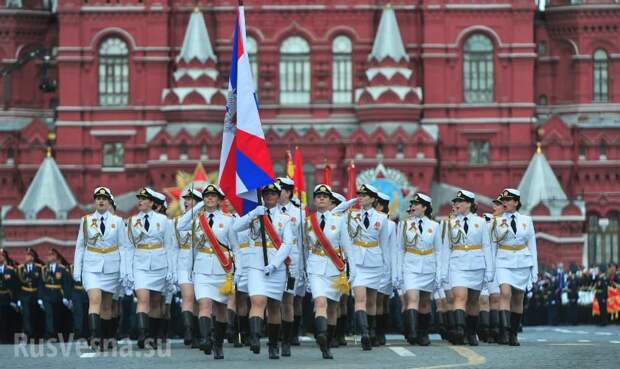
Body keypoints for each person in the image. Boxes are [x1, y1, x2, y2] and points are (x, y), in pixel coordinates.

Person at [177, 184, 239, 359]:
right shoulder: (197, 220)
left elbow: (235, 247)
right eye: (207, 196)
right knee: (204, 304)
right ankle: (205, 338)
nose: (210, 199)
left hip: (223, 268)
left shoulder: (229, 220)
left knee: (221, 310)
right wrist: (197, 206)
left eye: (213, 196)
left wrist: (237, 270)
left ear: (219, 200)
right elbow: (181, 225)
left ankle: (218, 343)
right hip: (202, 269)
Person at [233, 182, 294, 359]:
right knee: (257, 301)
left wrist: (275, 264)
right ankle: (255, 337)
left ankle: (274, 345)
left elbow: (288, 243)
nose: (269, 196)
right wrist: (253, 214)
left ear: (278, 196)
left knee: (275, 306)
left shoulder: (285, 218)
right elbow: (235, 227)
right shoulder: (255, 215)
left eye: (273, 193)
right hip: (255, 264)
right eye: (266, 193)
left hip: (276, 265)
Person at [73, 187, 129, 349]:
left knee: (106, 305)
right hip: (92, 266)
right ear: (95, 201)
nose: (101, 201)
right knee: (95, 299)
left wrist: (124, 271)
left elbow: (123, 247)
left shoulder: (118, 222)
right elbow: (80, 246)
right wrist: (78, 270)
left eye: (104, 198)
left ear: (109, 201)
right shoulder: (86, 221)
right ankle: (95, 335)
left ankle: (105, 338)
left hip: (112, 266)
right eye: (98, 198)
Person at [305, 184, 354, 359]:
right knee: (320, 302)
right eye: (318, 196)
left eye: (325, 197)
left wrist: (352, 270)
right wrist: (302, 270)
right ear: (314, 200)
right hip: (315, 267)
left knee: (333, 308)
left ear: (330, 200)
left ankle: (328, 341)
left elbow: (347, 245)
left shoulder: (339, 220)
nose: (321, 199)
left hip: (335, 268)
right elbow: (303, 248)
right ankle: (321, 334)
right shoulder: (308, 221)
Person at [440, 190, 494, 346]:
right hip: (457, 264)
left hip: (477, 264)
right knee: (460, 297)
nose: (457, 204)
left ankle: (471, 332)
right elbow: (445, 248)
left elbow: (486, 246)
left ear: (470, 203)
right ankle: (459, 330)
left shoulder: (481, 222)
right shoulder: (449, 223)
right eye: (456, 202)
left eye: (461, 201)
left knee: (473, 301)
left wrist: (490, 269)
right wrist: (444, 271)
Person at [127, 187, 176, 349]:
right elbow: (128, 247)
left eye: (144, 199)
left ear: (151, 202)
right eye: (139, 198)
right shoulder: (132, 221)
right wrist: (127, 270)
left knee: (155, 302)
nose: (140, 201)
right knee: (143, 298)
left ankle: (154, 336)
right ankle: (144, 334)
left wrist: (171, 269)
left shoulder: (163, 221)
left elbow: (169, 245)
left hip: (159, 263)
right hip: (140, 264)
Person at [393, 193, 442, 346]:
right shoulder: (404, 224)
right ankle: (412, 332)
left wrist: (439, 273)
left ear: (425, 207)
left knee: (426, 302)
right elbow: (399, 249)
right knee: (412, 299)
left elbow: (439, 250)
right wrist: (398, 272)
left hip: (428, 265)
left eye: (417, 204)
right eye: (412, 204)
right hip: (410, 266)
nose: (412, 207)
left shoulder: (434, 226)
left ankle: (423, 333)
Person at [346, 184, 390, 351]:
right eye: (360, 195)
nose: (361, 197)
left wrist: (386, 267)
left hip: (374, 261)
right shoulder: (351, 215)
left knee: (372, 300)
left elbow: (384, 244)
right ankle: (364, 332)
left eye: (365, 195)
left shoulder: (382, 218)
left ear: (372, 199)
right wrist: (349, 203)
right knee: (360, 298)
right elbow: (335, 213)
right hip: (357, 261)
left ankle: (371, 331)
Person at [492, 188, 537, 346]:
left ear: (516, 202)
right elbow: (492, 246)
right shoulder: (495, 221)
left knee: (518, 298)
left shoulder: (526, 220)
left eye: (508, 200)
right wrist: (491, 269)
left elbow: (532, 246)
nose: (504, 202)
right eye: (503, 200)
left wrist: (534, 271)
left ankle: (513, 333)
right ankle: (504, 332)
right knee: (505, 294)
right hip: (503, 261)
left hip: (522, 262)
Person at [275, 177, 306, 354]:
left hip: (292, 261)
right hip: (273, 260)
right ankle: (276, 334)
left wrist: (302, 266)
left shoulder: (298, 212)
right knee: (273, 300)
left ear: (288, 192)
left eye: (280, 191)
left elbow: (302, 242)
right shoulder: (269, 211)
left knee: (288, 300)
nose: (276, 194)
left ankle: (288, 338)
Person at [175, 188, 202, 347]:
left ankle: (200, 332)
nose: (186, 202)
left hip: (201, 262)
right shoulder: (178, 221)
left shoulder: (204, 221)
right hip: (183, 263)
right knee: (187, 296)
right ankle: (189, 331)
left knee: (200, 299)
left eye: (190, 199)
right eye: (185, 199)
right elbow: (173, 247)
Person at [480, 196, 504, 343]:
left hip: (505, 267)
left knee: (498, 298)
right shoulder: (488, 226)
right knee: (485, 299)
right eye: (494, 204)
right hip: (488, 267)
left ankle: (499, 329)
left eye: (498, 204)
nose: (494, 206)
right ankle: (486, 330)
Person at [375, 192, 395, 346]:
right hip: (370, 264)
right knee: (374, 299)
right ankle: (373, 331)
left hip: (385, 265)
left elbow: (393, 248)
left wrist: (394, 270)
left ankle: (381, 332)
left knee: (383, 300)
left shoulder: (391, 224)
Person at [39, 248, 72, 340]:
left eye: (52, 255)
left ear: (56, 257)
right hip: (47, 295)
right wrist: (40, 298)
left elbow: (66, 284)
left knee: (58, 316)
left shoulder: (62, 269)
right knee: (49, 315)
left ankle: (58, 335)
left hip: (58, 295)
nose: (50, 257)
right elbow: (41, 284)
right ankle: (50, 334)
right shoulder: (44, 269)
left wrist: (66, 296)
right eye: (49, 255)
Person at [17, 248, 44, 342]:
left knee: (35, 315)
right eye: (26, 255)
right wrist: (19, 299)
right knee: (26, 316)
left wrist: (40, 297)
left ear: (32, 258)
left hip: (35, 294)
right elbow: (18, 285)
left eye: (29, 255)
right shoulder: (20, 268)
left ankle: (36, 336)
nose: (26, 257)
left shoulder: (39, 268)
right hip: (25, 294)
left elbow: (41, 283)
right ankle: (28, 335)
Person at [0, 249, 18, 344]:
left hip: (7, 296)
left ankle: (7, 338)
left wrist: (14, 300)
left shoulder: (10, 270)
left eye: (1, 255)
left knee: (7, 318)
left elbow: (15, 286)